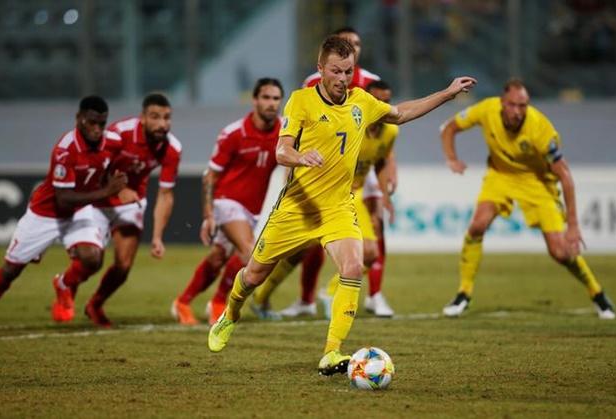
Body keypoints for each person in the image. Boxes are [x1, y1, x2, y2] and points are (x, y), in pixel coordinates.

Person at [207, 35, 476, 376]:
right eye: (336, 71)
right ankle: (230, 313)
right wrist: (300, 157)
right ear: (320, 69)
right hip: (297, 208)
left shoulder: (361, 102)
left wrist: (448, 93)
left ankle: (332, 353)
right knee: (254, 274)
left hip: (337, 207)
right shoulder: (301, 101)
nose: (342, 79)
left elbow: (401, 113)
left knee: (352, 267)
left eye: (348, 72)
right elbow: (281, 150)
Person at [440, 78, 616, 320]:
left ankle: (597, 293)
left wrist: (573, 226)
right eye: (513, 105)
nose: (518, 111)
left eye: (523, 105)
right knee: (477, 225)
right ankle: (464, 293)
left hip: (538, 183)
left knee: (561, 252)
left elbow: (565, 176)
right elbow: (449, 127)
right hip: (500, 176)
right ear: (502, 102)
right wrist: (451, 158)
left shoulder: (540, 128)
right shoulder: (486, 109)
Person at [264, 26, 400, 319]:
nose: (342, 76)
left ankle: (370, 295)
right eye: (349, 43)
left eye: (358, 44)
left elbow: (388, 129)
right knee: (300, 250)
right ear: (325, 65)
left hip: (355, 184)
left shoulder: (370, 86)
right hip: (314, 182)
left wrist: (388, 176)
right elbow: (296, 135)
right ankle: (298, 298)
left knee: (372, 244)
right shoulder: (311, 87)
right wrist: (295, 166)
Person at [0, 96, 133, 322]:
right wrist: (107, 191)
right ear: (79, 119)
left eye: (102, 123)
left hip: (79, 211)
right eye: (92, 122)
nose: (97, 129)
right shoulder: (65, 149)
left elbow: (117, 161)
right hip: (46, 213)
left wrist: (121, 183)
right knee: (12, 270)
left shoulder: (112, 142)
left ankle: (64, 284)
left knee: (93, 259)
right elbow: (63, 199)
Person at [172, 78, 284, 325]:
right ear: (254, 100)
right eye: (266, 97)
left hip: (252, 209)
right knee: (250, 253)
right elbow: (210, 176)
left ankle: (182, 301)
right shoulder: (234, 133)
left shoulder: (283, 131)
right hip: (226, 202)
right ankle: (220, 301)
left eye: (276, 98)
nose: (271, 103)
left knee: (218, 258)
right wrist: (209, 215)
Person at [83, 93, 182, 327]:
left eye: (167, 118)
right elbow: (95, 167)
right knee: (90, 257)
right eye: (155, 117)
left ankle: (95, 304)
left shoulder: (172, 148)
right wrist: (118, 190)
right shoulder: (120, 133)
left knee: (124, 265)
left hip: (132, 200)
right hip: (99, 196)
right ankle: (66, 285)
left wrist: (157, 237)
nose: (162, 124)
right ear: (143, 119)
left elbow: (166, 194)